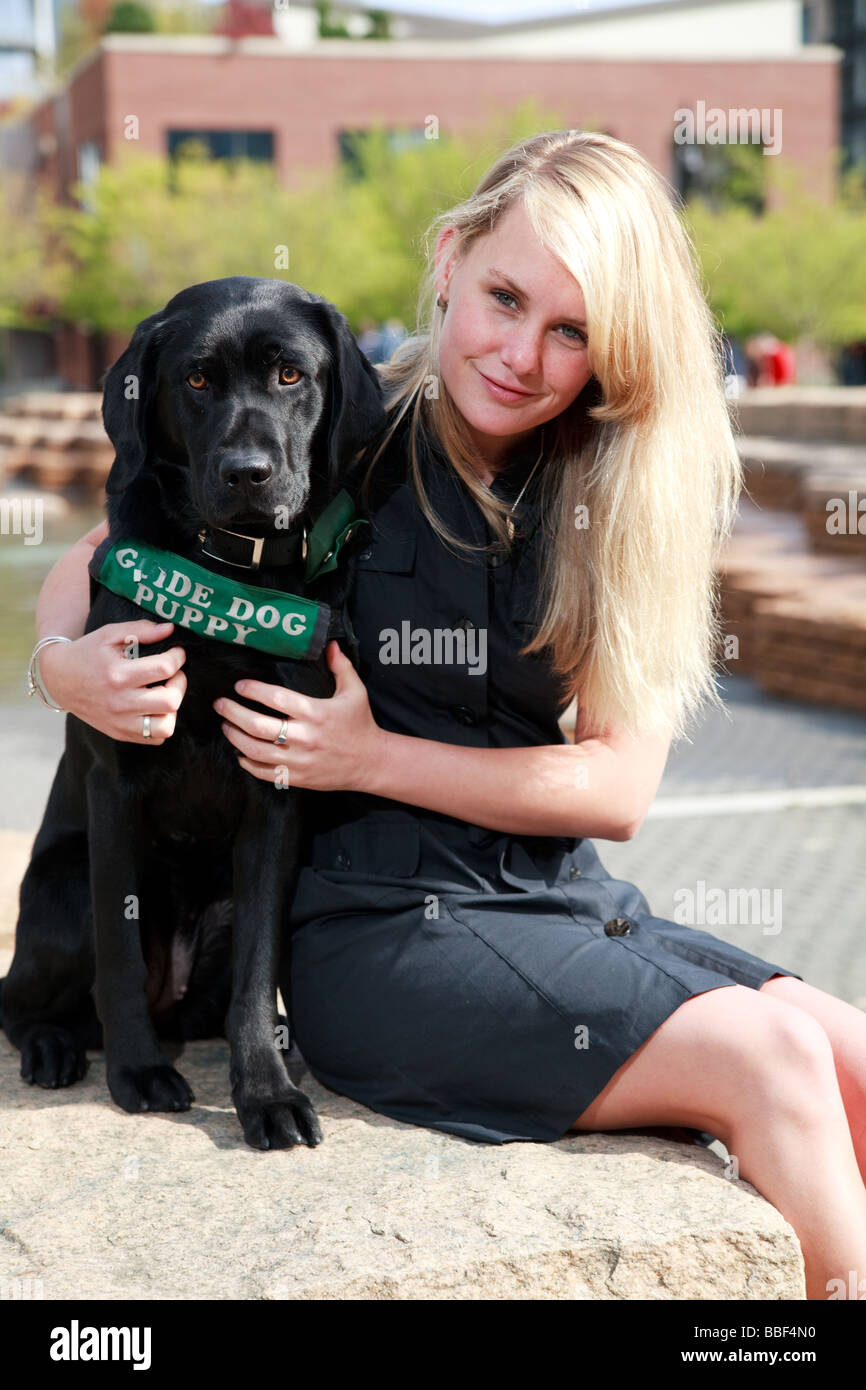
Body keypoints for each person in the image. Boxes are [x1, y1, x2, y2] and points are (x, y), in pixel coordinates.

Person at [31, 130, 866, 1301]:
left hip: (558, 905)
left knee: (853, 1057)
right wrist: (61, 666)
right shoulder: (346, 438)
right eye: (503, 297)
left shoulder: (613, 491)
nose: (522, 355)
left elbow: (614, 793)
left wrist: (369, 752)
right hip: (379, 933)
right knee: (773, 1060)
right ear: (449, 259)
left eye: (570, 329)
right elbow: (98, 551)